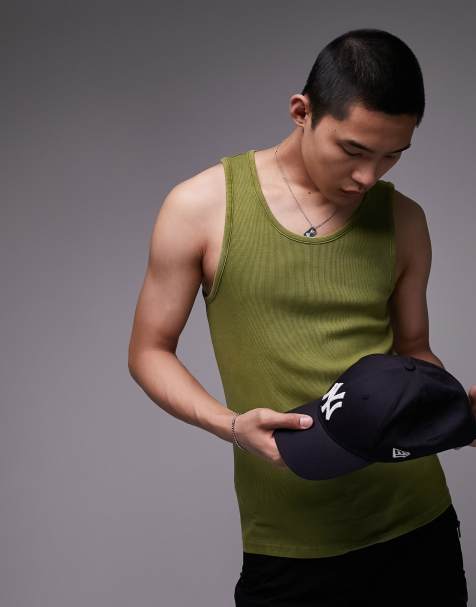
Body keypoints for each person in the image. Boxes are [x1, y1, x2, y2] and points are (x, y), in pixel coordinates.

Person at [128, 28, 474, 606]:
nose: (369, 176)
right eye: (354, 151)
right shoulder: (201, 207)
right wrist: (231, 425)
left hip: (416, 521)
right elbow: (148, 351)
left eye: (392, 155)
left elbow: (414, 350)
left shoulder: (405, 219)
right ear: (301, 112)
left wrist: (452, 410)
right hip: (292, 539)